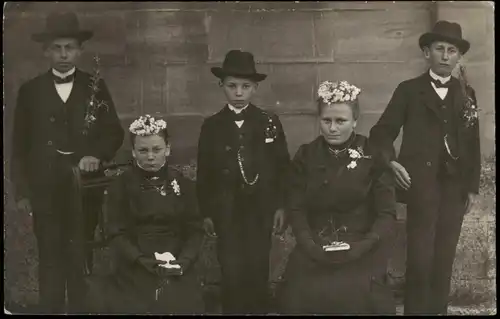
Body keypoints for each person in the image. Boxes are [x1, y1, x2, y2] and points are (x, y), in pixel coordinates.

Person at [10, 11, 124, 313]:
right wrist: (22, 191)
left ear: (79, 50)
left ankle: (80, 307)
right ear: (46, 50)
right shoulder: (30, 91)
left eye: (69, 47)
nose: (63, 54)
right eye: (57, 48)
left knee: (80, 251)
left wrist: (95, 155)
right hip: (44, 186)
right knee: (49, 251)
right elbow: (20, 144)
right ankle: (50, 308)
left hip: (83, 187)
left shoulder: (94, 87)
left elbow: (113, 132)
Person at [369, 21, 481, 315]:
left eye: (452, 51)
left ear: (459, 57)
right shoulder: (408, 91)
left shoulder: (466, 94)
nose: (445, 56)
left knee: (444, 258)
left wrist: (471, 187)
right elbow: (381, 132)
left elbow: (473, 144)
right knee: (419, 258)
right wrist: (390, 162)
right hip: (420, 187)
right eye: (439, 49)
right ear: (426, 53)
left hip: (454, 189)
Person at [277, 80, 397, 314]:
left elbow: (386, 213)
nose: (333, 128)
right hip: (315, 245)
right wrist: (310, 246)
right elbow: (297, 208)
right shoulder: (306, 155)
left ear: (355, 121)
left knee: (356, 295)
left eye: (341, 121)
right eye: (327, 121)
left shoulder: (372, 154)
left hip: (361, 246)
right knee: (297, 296)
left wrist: (363, 246)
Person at [196, 50, 291, 314]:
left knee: (258, 265)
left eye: (245, 87)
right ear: (221, 86)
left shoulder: (268, 122)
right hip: (226, 210)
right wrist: (206, 212)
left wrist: (282, 206)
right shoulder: (212, 126)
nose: (238, 92)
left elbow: (282, 167)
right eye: (232, 86)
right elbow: (205, 173)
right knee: (231, 268)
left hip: (260, 210)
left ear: (255, 88)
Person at [85, 114, 205, 314]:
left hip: (176, 260)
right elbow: (116, 233)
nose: (150, 156)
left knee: (179, 301)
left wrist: (183, 262)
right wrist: (141, 260)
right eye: (143, 150)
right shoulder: (121, 186)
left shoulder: (182, 183)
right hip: (135, 263)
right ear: (133, 152)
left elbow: (195, 230)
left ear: (167, 149)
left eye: (156, 149)